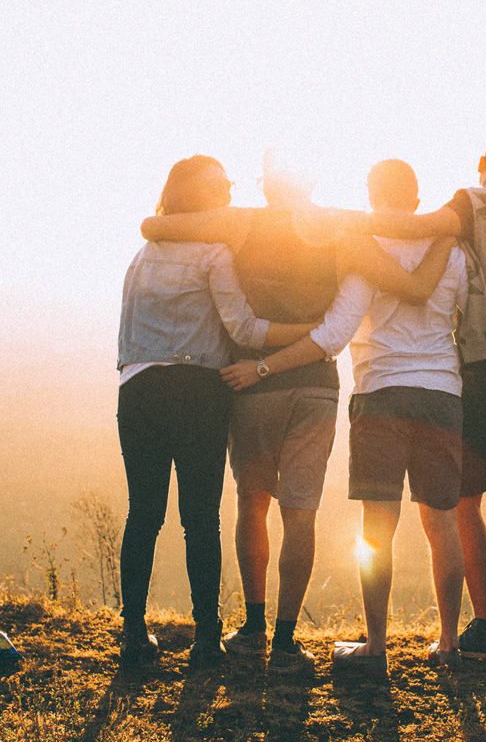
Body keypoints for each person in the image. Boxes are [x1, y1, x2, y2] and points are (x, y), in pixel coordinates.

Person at [221, 159, 486, 673]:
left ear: (371, 195)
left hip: (381, 396)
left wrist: (263, 366)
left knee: (377, 529)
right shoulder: (454, 253)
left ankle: (376, 647)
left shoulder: (365, 251)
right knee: (442, 525)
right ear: (416, 201)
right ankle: (450, 643)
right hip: (443, 399)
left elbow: (333, 335)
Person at [139, 150, 454, 674]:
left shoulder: (240, 224)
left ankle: (254, 626)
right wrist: (447, 235)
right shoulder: (339, 230)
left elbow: (157, 226)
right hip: (315, 386)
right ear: (311, 182)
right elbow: (409, 285)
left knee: (252, 501)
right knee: (300, 512)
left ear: (266, 186)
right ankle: (286, 640)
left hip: (250, 382)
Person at [336, 133, 486, 660]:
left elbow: (414, 228)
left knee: (462, 501)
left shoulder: (473, 202)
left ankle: (482, 624)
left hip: (485, 366)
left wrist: (340, 222)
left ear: (484, 164)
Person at [116, 155, 316, 668]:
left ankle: (133, 635)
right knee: (199, 518)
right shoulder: (213, 253)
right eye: (220, 184)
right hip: (198, 391)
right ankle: (207, 639)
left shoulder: (142, 254)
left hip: (138, 389)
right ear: (198, 196)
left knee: (143, 514)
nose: (229, 190)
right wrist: (312, 334)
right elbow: (245, 331)